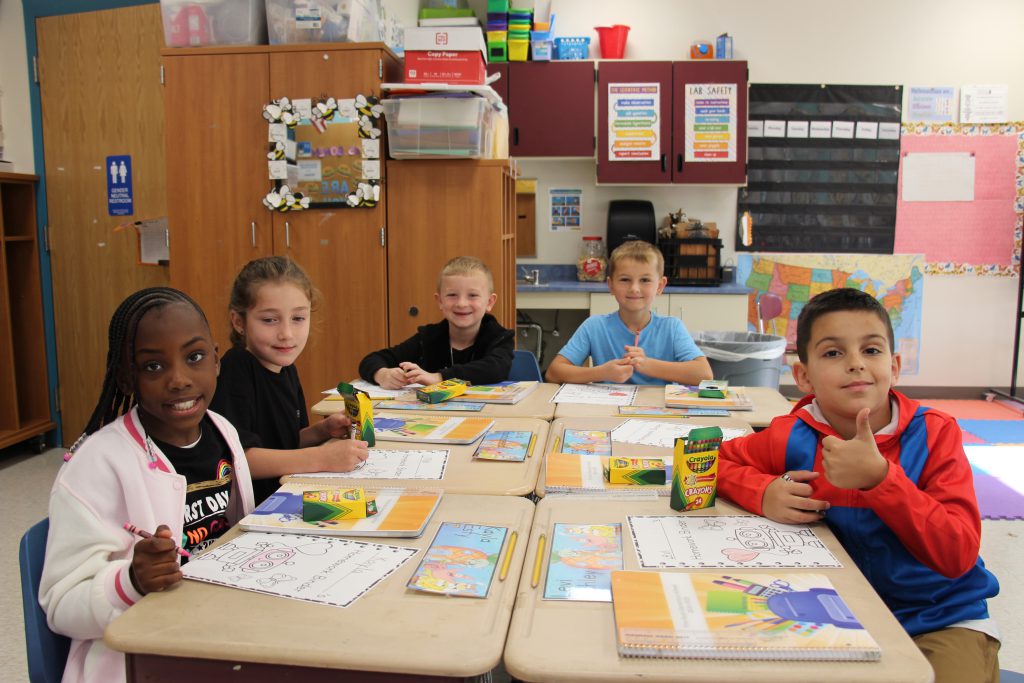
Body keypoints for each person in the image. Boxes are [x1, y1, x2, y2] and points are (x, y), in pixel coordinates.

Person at [717, 287, 1000, 682]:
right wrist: (762, 493)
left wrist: (882, 481)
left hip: (939, 619)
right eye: (833, 353)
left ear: (895, 365)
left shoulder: (936, 435)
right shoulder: (791, 434)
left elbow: (957, 554)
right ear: (803, 375)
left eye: (871, 350)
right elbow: (711, 462)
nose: (856, 364)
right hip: (829, 616)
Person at [39, 287, 256, 683]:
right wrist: (130, 581)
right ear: (126, 377)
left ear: (216, 360)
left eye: (194, 358)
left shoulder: (223, 431)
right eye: (153, 367)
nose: (179, 380)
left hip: (222, 628)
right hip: (140, 656)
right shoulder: (98, 465)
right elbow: (60, 605)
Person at [211, 256, 368, 505]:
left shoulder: (286, 369)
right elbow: (238, 460)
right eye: (269, 320)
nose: (286, 334)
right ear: (239, 322)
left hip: (286, 497)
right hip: (254, 512)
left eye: (298, 318)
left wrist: (321, 431)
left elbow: (284, 442)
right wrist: (321, 457)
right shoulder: (237, 368)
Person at [545, 240, 712, 386]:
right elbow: (554, 373)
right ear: (610, 285)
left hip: (658, 416)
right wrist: (601, 373)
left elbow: (704, 375)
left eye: (645, 280)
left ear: (660, 286)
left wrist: (649, 365)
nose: (634, 288)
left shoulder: (672, 327)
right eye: (625, 280)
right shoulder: (594, 326)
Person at [359, 255, 514, 388]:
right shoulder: (427, 338)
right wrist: (383, 374)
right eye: (452, 295)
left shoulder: (500, 337)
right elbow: (371, 359)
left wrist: (438, 378)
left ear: (490, 302)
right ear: (439, 301)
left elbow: (495, 368)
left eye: (472, 295)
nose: (461, 303)